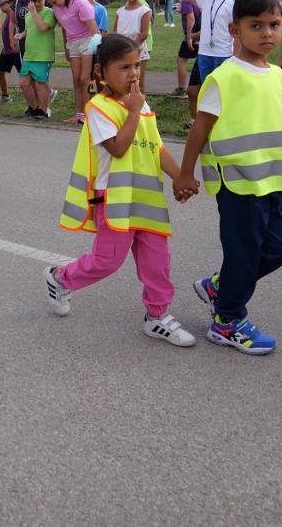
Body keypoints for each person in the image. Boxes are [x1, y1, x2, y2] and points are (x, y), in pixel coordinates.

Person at [177, 0, 282, 355]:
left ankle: (219, 286)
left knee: (280, 246)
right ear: (235, 30)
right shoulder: (224, 77)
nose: (267, 33)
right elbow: (200, 129)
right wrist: (185, 174)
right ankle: (226, 320)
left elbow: (278, 130)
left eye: (274, 25)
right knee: (244, 253)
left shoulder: (275, 75)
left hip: (272, 179)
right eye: (256, 25)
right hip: (237, 183)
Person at [42, 33, 197, 347]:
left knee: (158, 262)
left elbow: (155, 146)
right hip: (114, 199)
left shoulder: (141, 103)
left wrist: (181, 177)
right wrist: (134, 111)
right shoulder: (99, 108)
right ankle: (61, 278)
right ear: (101, 72)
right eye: (124, 67)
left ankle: (157, 317)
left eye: (136, 65)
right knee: (107, 261)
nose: (133, 73)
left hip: (147, 199)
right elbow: (118, 148)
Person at [46, 0, 97, 125]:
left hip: (88, 40)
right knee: (76, 80)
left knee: (84, 78)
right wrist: (66, 49)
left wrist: (99, 50)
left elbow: (95, 31)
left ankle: (88, 114)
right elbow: (64, 28)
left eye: (54, 1)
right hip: (73, 42)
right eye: (51, 3)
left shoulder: (81, 4)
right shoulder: (57, 8)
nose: (54, 5)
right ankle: (79, 115)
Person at [16, 0, 56, 119]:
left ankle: (43, 111)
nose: (37, 4)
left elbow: (43, 28)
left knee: (40, 84)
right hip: (29, 55)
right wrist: (21, 35)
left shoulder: (49, 12)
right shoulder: (28, 15)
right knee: (23, 83)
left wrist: (33, 13)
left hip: (43, 56)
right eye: (34, 1)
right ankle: (33, 108)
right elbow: (29, 29)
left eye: (39, 0)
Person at [194, 0, 235, 80]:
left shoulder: (233, 3)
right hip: (204, 52)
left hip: (223, 53)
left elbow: (237, 32)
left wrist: (236, 57)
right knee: (206, 86)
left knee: (221, 87)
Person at [114, 0, 152, 93]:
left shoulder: (144, 11)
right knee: (122, 83)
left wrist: (130, 47)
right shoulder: (120, 11)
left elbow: (144, 34)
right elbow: (115, 32)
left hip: (137, 49)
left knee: (138, 83)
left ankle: (141, 104)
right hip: (121, 49)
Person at [174, 0, 201, 119]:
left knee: (181, 60)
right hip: (200, 36)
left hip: (191, 36)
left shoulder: (186, 1)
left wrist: (190, 37)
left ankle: (181, 88)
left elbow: (191, 17)